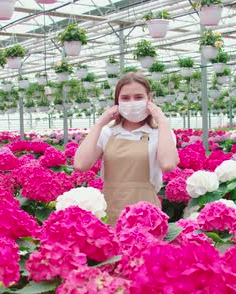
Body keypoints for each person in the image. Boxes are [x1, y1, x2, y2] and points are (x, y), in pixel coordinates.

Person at [73, 72, 179, 225]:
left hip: (146, 215)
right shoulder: (107, 132)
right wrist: (99, 124)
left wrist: (162, 120)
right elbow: (81, 164)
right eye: (125, 98)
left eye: (138, 97)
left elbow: (168, 164)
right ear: (117, 102)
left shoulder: (160, 133)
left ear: (149, 99)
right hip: (110, 212)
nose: (132, 102)